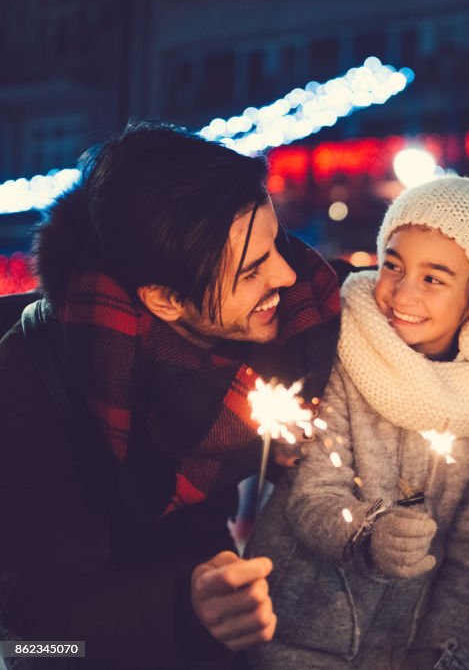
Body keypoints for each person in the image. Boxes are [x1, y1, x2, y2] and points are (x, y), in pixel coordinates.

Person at [0, 123, 342, 668]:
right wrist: (185, 606)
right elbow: (31, 630)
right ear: (164, 300)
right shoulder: (29, 383)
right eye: (252, 269)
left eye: (275, 242)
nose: (284, 271)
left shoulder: (295, 317)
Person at [245, 177, 469, 669]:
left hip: (402, 652)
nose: (400, 292)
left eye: (434, 278)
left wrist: (443, 654)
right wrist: (367, 532)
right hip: (293, 634)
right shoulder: (344, 349)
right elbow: (312, 494)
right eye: (392, 264)